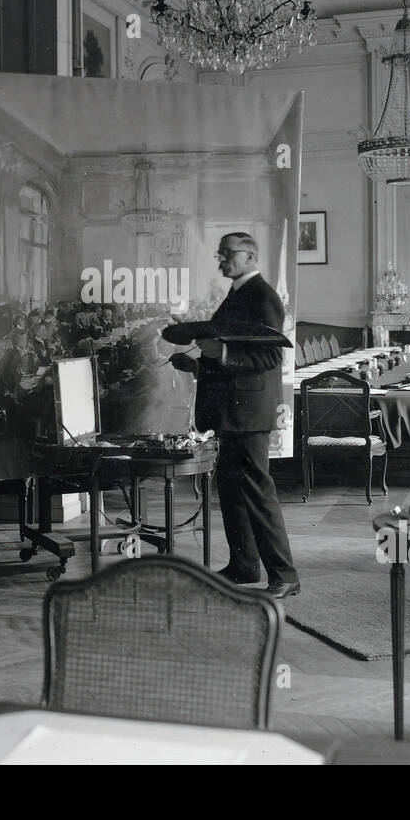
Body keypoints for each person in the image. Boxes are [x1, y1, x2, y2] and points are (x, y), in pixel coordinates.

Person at [169, 233, 300, 599]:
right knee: (230, 489)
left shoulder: (263, 298)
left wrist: (221, 352)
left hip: (249, 414)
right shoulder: (238, 294)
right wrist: (196, 363)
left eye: (228, 254)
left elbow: (272, 357)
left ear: (249, 256)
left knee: (257, 491)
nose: (221, 260)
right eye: (220, 254)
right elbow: (232, 352)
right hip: (233, 412)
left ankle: (285, 575)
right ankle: (244, 566)